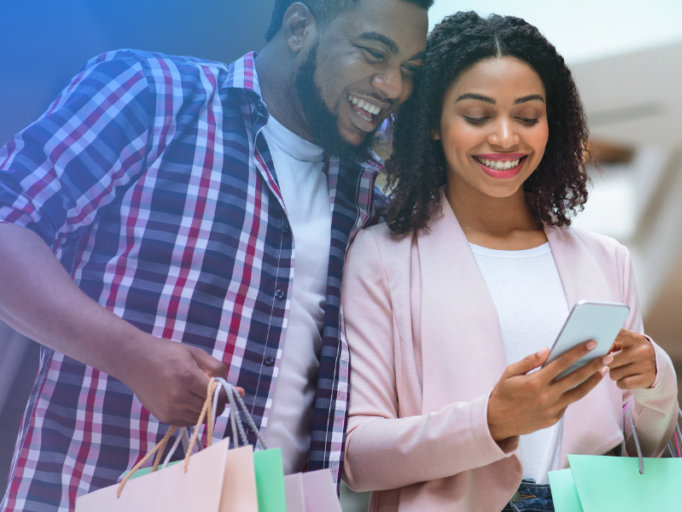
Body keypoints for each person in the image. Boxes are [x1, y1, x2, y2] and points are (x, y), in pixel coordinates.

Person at [0, 0, 429, 510]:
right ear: (299, 27)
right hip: (94, 488)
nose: (392, 87)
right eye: (373, 53)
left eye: (408, 70)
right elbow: (10, 224)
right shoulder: (154, 91)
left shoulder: (367, 196)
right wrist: (130, 354)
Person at [340, 12, 679, 512]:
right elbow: (358, 457)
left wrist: (655, 379)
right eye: (477, 116)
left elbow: (639, 447)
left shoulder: (607, 261)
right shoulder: (382, 257)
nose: (505, 138)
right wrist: (492, 421)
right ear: (434, 124)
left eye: (526, 117)